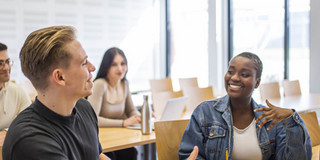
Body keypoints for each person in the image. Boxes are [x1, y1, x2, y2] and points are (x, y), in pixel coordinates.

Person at [2, 26, 110, 160]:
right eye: (83, 63)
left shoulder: (84, 107)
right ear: (60, 77)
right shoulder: (31, 139)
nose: (92, 67)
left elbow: (97, 156)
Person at [179, 52, 312, 160]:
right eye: (231, 71)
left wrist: (291, 121)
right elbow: (189, 155)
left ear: (257, 82)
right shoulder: (204, 112)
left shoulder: (272, 120)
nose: (234, 78)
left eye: (244, 74)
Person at [88, 47, 141, 160]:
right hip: (102, 140)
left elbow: (131, 110)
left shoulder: (124, 84)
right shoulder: (99, 84)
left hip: (119, 137)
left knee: (131, 153)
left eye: (123, 64)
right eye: (114, 64)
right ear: (106, 67)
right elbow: (93, 119)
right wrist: (123, 123)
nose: (120, 68)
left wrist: (138, 116)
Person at [0, 42, 31, 133]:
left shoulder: (17, 91)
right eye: (0, 63)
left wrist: (6, 132)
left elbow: (30, 123)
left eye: (7, 62)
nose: (6, 68)